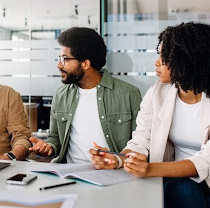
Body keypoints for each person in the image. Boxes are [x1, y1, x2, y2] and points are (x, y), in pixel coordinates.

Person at [90, 22, 210, 208]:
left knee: (180, 195)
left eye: (165, 58)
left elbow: (209, 161)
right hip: (173, 184)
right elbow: (141, 139)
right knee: (179, 192)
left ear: (189, 60)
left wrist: (149, 169)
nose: (157, 63)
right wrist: (119, 159)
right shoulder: (157, 93)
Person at [30, 27, 142, 163]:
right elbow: (55, 138)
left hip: (114, 173)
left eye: (65, 59)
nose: (59, 65)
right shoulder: (61, 95)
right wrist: (49, 147)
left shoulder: (129, 94)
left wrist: (118, 161)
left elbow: (139, 143)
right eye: (59, 58)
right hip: (70, 174)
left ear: (85, 64)